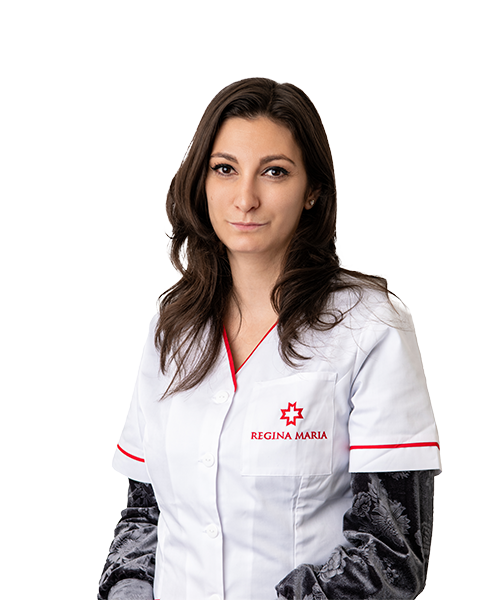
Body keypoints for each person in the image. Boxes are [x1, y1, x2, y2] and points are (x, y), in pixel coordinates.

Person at [98, 77, 441, 600]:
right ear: (201, 181)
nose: (245, 198)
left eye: (274, 171)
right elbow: (145, 514)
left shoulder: (370, 327)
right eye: (225, 169)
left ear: (313, 190)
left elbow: (393, 551)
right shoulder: (173, 327)